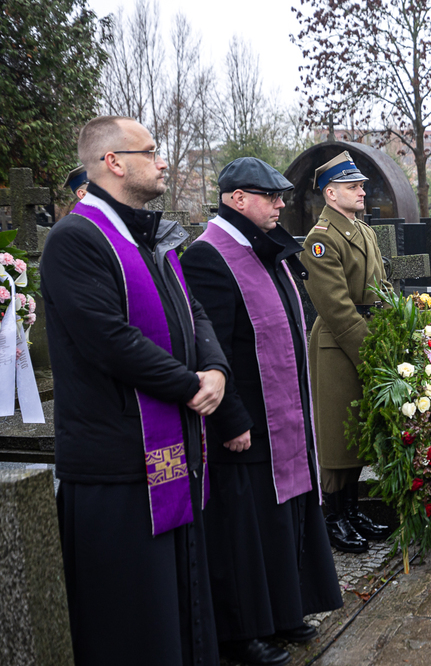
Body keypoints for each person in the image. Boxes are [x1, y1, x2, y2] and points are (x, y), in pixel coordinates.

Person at [40, 115, 229, 666]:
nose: (162, 160)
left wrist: (216, 369)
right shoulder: (76, 238)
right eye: (150, 152)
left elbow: (193, 311)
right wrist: (189, 384)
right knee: (131, 621)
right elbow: (108, 339)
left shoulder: (147, 234)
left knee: (176, 609)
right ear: (113, 163)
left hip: (167, 453)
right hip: (115, 464)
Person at [181, 158, 343, 666]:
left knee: (285, 517)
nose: (279, 205)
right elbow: (207, 347)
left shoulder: (265, 249)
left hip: (284, 415)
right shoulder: (208, 256)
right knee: (244, 530)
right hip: (247, 422)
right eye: (269, 196)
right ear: (236, 199)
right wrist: (230, 418)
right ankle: (242, 631)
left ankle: (285, 612)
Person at [301, 151, 391, 553]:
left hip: (368, 337)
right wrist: (371, 353)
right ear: (331, 193)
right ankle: (333, 517)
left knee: (358, 433)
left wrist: (396, 329)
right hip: (339, 346)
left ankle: (352, 510)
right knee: (338, 437)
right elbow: (335, 307)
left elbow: (381, 288)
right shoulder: (321, 238)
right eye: (353, 186)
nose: (362, 191)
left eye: (361, 185)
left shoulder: (364, 230)